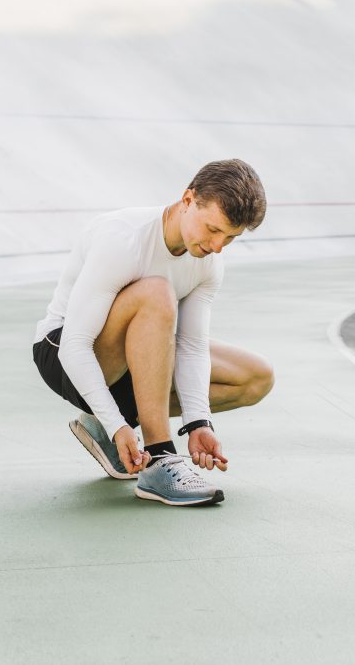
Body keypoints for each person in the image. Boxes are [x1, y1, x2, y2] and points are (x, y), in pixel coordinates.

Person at [31, 159, 274, 506]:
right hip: (64, 355)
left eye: (230, 238)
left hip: (133, 364)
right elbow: (75, 344)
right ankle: (159, 459)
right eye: (213, 229)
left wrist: (198, 422)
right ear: (188, 200)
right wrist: (118, 426)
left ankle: (103, 428)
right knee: (156, 293)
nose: (218, 246)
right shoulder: (124, 238)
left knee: (255, 376)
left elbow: (190, 347)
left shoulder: (209, 262)